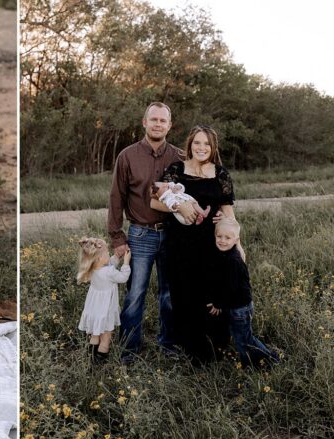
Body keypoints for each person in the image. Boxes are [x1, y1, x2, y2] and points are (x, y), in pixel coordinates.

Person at [108, 102, 188, 361]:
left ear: (169, 126)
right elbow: (116, 197)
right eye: (153, 119)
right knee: (135, 294)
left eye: (163, 121)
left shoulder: (180, 157)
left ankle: (169, 345)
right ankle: (129, 350)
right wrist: (117, 237)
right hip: (140, 235)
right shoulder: (127, 156)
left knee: (170, 294)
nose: (158, 124)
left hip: (173, 235)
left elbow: (192, 193)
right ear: (144, 122)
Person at [157, 125, 236, 363]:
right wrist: (178, 206)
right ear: (190, 144)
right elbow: (154, 201)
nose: (202, 148)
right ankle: (192, 352)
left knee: (212, 294)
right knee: (184, 296)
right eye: (197, 143)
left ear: (213, 147)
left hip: (212, 246)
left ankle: (215, 350)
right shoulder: (176, 170)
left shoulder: (221, 174)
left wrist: (237, 243)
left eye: (207, 144)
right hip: (180, 246)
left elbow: (229, 213)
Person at [206, 218, 279, 368]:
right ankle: (261, 360)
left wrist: (218, 304)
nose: (222, 240)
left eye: (227, 238)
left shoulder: (233, 260)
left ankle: (266, 361)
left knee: (244, 340)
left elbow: (230, 288)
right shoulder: (224, 254)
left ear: (236, 240)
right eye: (219, 236)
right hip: (235, 305)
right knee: (242, 337)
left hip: (240, 308)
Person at [76, 237, 131, 363]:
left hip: (94, 309)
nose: (108, 254)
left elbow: (108, 264)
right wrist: (126, 263)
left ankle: (91, 358)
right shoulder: (109, 272)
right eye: (107, 253)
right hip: (106, 310)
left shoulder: (92, 270)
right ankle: (100, 362)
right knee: (106, 337)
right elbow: (123, 277)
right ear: (100, 258)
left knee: (95, 335)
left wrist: (116, 257)